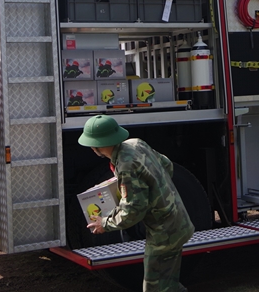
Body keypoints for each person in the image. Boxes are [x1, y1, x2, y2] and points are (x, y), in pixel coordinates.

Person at [80, 115, 194, 292]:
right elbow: (167, 165)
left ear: (98, 145)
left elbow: (134, 211)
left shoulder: (125, 166)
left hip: (164, 233)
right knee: (168, 285)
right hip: (177, 221)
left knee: (155, 288)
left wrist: (105, 223)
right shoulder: (136, 144)